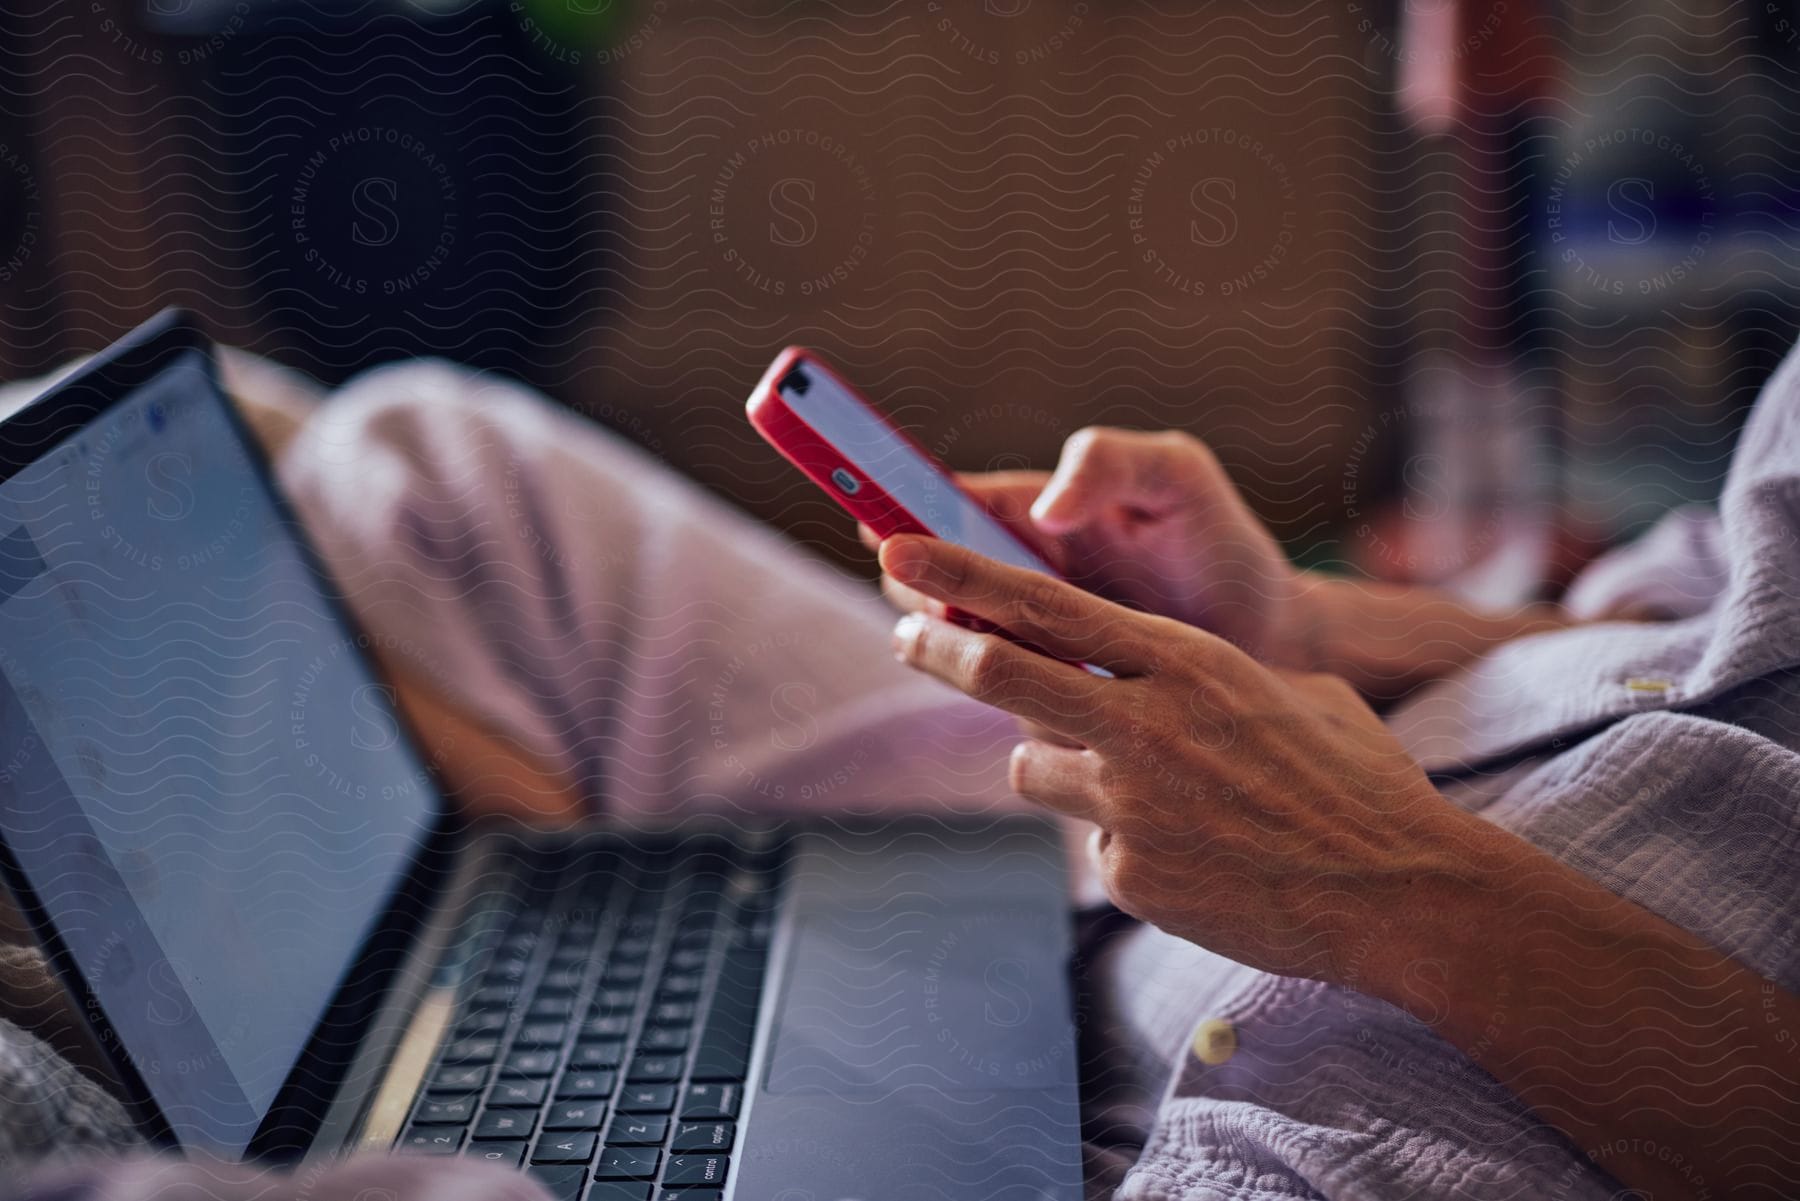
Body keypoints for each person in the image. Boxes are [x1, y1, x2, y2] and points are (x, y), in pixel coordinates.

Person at [3, 341, 1797, 1201]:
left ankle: (513, 957)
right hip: (1263, 811)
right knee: (392, 455)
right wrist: (1304, 632)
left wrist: (1399, 893)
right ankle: (517, 930)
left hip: (1286, 1079)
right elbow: (1708, 623)